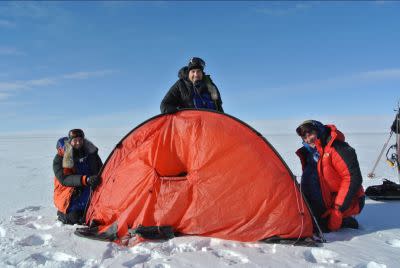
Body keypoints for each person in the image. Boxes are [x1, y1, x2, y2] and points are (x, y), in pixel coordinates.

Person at [295, 120, 365, 232]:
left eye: (310, 134)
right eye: (304, 137)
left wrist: (337, 210)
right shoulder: (311, 153)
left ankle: (345, 220)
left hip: (339, 203)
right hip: (319, 203)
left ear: (319, 131)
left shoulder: (338, 148)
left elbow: (352, 178)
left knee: (321, 228)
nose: (308, 139)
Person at [53, 129, 103, 225]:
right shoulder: (60, 158)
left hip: (89, 189)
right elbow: (64, 179)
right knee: (75, 218)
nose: (78, 143)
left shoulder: (91, 154)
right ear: (70, 141)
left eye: (80, 140)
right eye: (75, 140)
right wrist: (85, 179)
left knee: (95, 213)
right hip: (70, 192)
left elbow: (100, 169)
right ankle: (62, 214)